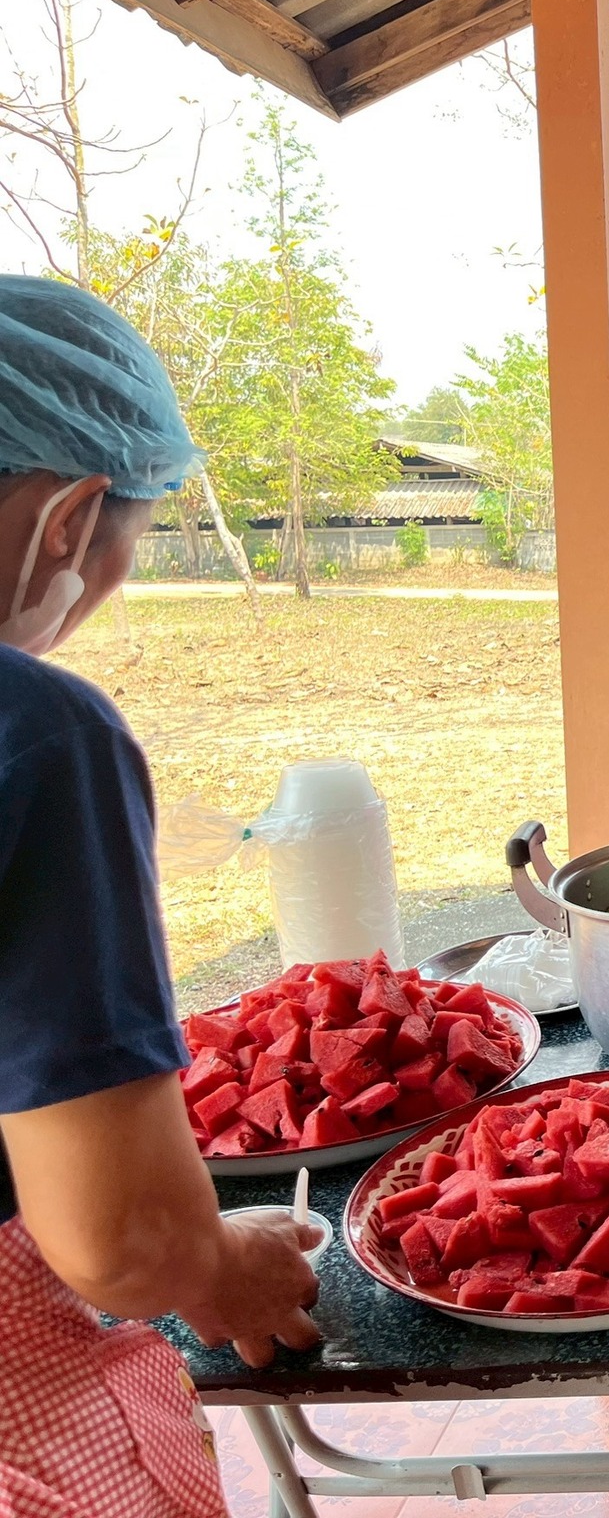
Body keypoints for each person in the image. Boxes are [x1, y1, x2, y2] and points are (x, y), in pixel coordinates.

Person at [0, 275, 323, 1516]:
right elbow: (123, 1236)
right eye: (130, 541)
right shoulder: (30, 733)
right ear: (73, 519)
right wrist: (224, 1269)